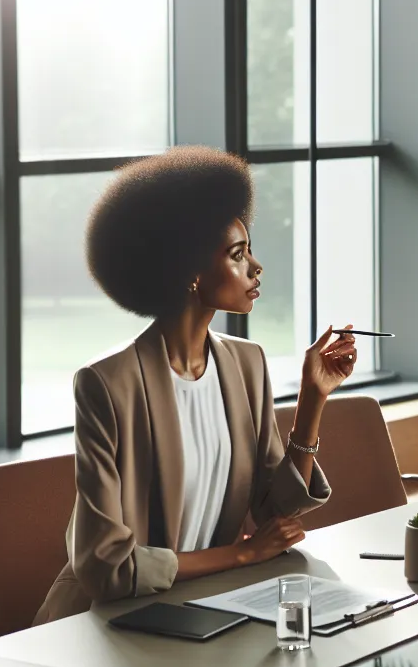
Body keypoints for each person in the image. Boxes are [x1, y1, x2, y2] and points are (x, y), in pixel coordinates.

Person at [35, 147, 359, 622]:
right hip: (111, 621)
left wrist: (313, 400)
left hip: (211, 606)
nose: (256, 267)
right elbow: (106, 566)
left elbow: (276, 510)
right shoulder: (109, 385)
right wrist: (243, 555)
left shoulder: (246, 364)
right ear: (189, 270)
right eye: (237, 254)